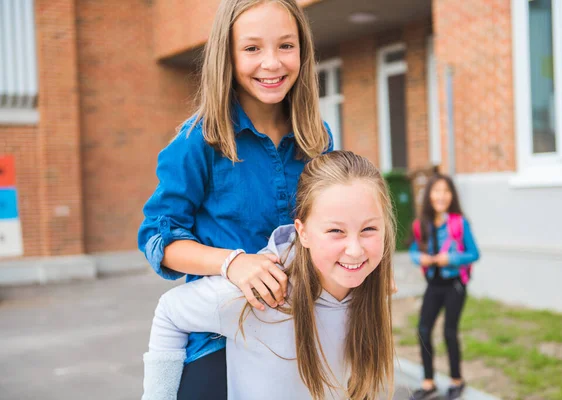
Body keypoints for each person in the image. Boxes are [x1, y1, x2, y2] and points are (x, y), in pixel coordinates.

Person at [137, 0, 332, 398]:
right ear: (227, 55)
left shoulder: (319, 138)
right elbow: (159, 240)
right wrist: (233, 264)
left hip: (301, 338)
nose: (272, 63)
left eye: (286, 46)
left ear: (303, 51)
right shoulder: (198, 141)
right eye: (252, 48)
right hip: (219, 341)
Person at [142, 151, 396, 400]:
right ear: (302, 232)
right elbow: (170, 311)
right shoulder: (263, 295)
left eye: (369, 229)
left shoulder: (369, 288)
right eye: (336, 231)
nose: (354, 250)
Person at [408, 174, 480, 400]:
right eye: (436, 191)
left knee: (449, 332)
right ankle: (428, 382)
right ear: (429, 195)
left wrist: (451, 259)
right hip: (434, 285)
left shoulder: (459, 223)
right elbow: (412, 249)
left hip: (454, 285)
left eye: (446, 191)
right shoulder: (422, 224)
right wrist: (420, 258)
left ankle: (456, 380)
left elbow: (474, 253)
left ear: (452, 196)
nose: (441, 196)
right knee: (423, 330)